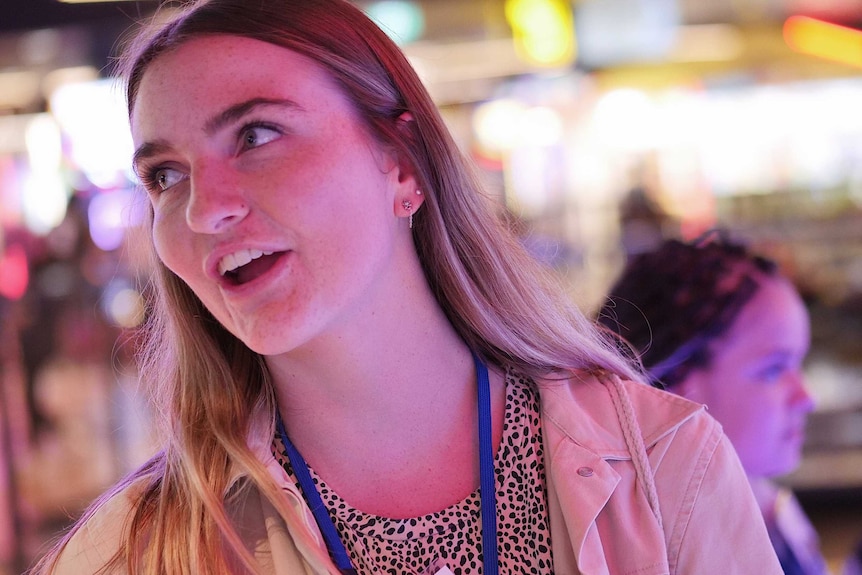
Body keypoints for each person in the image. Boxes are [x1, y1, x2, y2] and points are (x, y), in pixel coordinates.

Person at [30, 1, 782, 573]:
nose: (203, 207)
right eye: (165, 175)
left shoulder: (661, 465)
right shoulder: (139, 548)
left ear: (403, 163)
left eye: (255, 135)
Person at [597, 233, 829, 575]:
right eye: (774, 369)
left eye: (798, 365)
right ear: (675, 387)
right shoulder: (653, 554)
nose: (807, 398)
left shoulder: (761, 501)